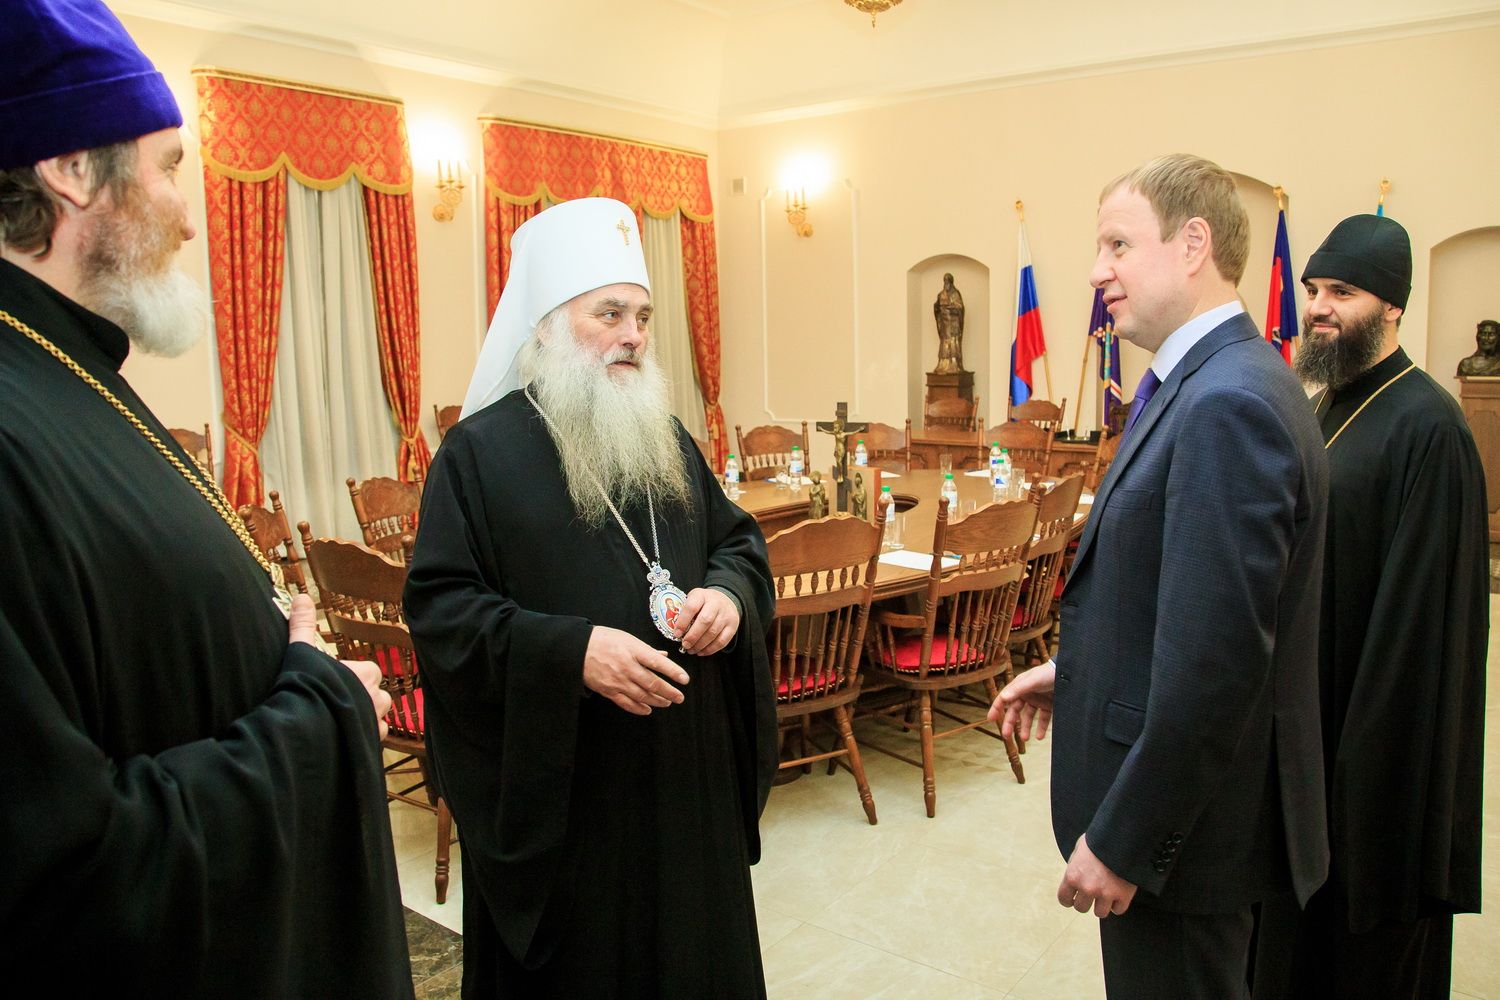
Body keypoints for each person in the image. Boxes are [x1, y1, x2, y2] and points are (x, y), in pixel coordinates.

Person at [0, 2, 412, 996]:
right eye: (170, 165)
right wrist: (321, 705)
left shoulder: (68, 368)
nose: (189, 214)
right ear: (69, 168)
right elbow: (61, 870)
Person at [403, 197, 777, 998]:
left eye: (641, 315)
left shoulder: (665, 437)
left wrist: (728, 597)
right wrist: (571, 652)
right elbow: (441, 612)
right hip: (570, 804)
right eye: (609, 313)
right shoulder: (477, 456)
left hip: (686, 785)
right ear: (542, 326)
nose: (633, 334)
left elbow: (736, 541)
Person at [991, 154, 1329, 999]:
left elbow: (1217, 667)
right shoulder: (1217, 379)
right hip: (1195, 826)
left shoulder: (1227, 402)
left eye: (1116, 242)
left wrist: (1126, 840)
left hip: (1186, 845)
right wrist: (1078, 673)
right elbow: (1189, 603)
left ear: (1192, 244)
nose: (1096, 270)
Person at [1252, 214, 1488, 998]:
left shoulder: (1431, 427)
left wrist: (1356, 785)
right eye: (1315, 289)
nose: (1320, 307)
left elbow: (1421, 638)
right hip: (1310, 738)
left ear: (1391, 307)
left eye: (1342, 293)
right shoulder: (1326, 405)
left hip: (1374, 765)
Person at [933, 271, 966, 373]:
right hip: (944, 324)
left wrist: (953, 307)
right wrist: (936, 308)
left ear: (951, 282)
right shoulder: (940, 294)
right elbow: (937, 308)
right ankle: (943, 365)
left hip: (953, 324)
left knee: (953, 343)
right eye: (945, 281)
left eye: (948, 281)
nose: (946, 283)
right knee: (944, 343)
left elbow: (960, 307)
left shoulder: (955, 294)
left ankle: (954, 365)